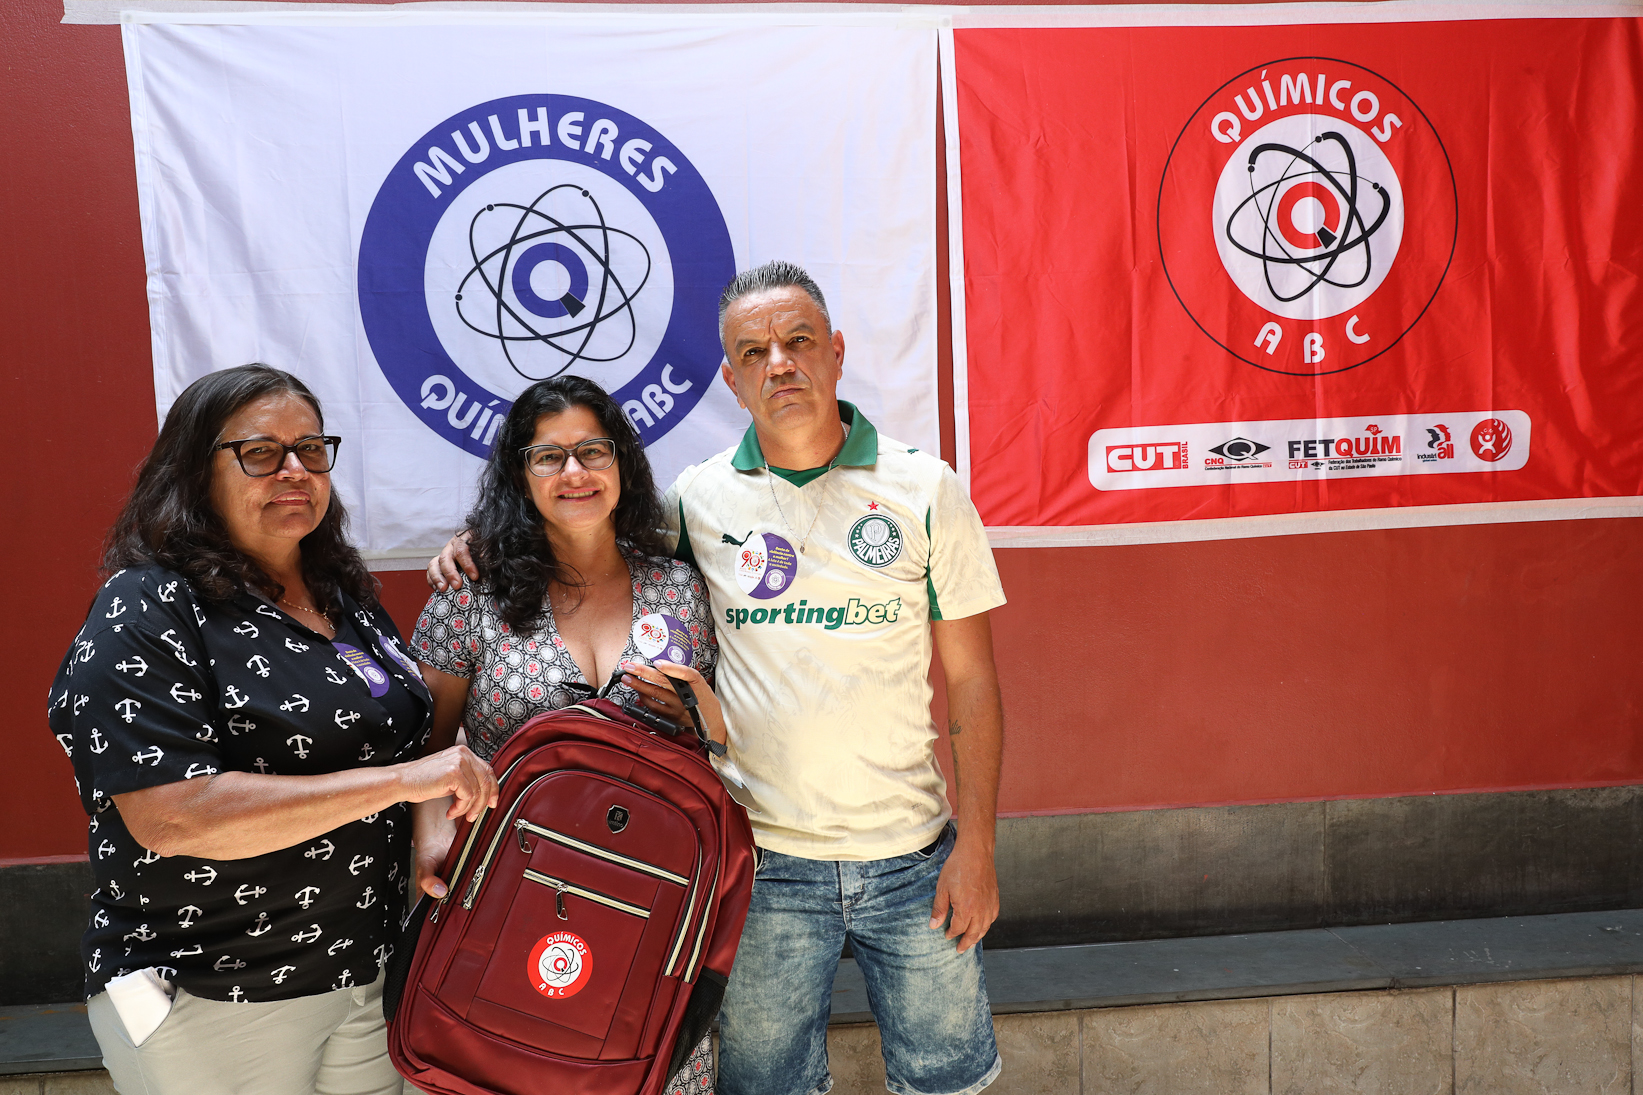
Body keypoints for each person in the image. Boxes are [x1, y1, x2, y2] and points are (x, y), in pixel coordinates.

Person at [432, 261, 1008, 1095]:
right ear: (733, 380)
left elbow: (974, 682)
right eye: (755, 351)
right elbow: (584, 522)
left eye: (798, 341)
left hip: (912, 857)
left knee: (947, 1082)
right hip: (761, 861)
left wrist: (980, 846)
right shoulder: (697, 500)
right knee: (767, 1086)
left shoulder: (924, 488)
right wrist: (475, 539)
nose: (780, 363)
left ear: (837, 352)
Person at [48, 364, 498, 1095]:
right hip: (215, 992)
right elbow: (172, 814)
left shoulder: (343, 596)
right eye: (261, 452)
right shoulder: (150, 605)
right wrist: (400, 783)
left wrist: (426, 829)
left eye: (311, 449)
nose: (294, 470)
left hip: (369, 973)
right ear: (196, 470)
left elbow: (404, 743)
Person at [410, 374, 722, 1092]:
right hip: (508, 892)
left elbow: (710, 736)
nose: (574, 472)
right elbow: (425, 742)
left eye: (591, 450)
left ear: (622, 463)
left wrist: (693, 719)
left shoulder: (678, 586)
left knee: (641, 1063)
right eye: (548, 456)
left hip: (647, 896)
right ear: (520, 474)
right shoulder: (471, 593)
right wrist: (428, 836)